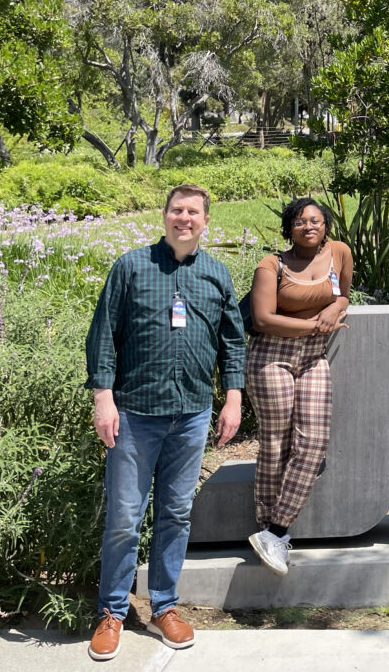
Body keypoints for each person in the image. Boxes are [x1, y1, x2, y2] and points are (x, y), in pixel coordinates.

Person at [85, 184, 244, 662]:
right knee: (125, 519)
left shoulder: (217, 274)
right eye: (177, 210)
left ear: (206, 221)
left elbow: (232, 343)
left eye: (193, 212)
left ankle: (164, 606)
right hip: (133, 414)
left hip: (192, 415)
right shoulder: (131, 267)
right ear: (164, 215)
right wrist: (103, 399)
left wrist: (232, 398)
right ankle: (112, 611)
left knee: (175, 515)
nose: (184, 218)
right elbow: (103, 336)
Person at [244, 197, 352, 576]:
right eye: (301, 222)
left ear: (326, 225)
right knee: (276, 442)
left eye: (316, 221)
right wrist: (314, 326)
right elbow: (262, 319)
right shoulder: (271, 265)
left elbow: (343, 295)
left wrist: (334, 309)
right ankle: (265, 527)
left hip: (313, 356)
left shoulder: (339, 253)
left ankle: (276, 531)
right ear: (288, 228)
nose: (310, 227)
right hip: (271, 355)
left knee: (313, 441)